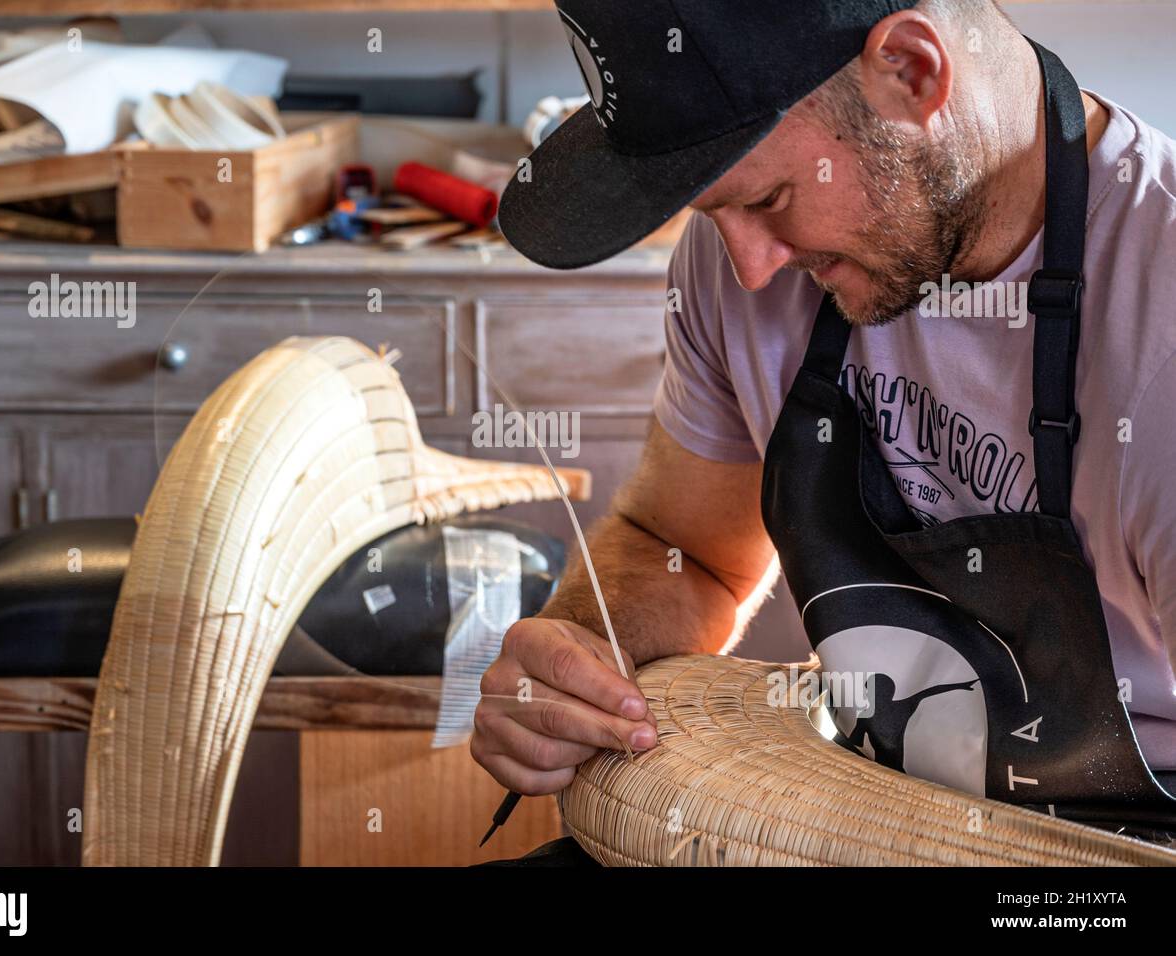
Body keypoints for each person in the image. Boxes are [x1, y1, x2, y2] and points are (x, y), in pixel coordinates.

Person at [475, 0, 1176, 836]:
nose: (749, 267)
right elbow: (691, 554)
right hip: (864, 808)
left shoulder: (1157, 314)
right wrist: (578, 651)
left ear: (914, 72)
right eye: (710, 209)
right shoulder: (743, 257)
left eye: (769, 198)